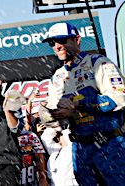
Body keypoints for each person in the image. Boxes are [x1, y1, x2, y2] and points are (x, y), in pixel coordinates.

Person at [42, 22, 125, 185]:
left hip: (110, 143)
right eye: (53, 42)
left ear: (77, 40)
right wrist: (49, 114)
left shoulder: (98, 63)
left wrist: (79, 104)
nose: (58, 46)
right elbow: (54, 119)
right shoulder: (57, 77)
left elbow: (119, 98)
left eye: (63, 40)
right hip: (79, 147)